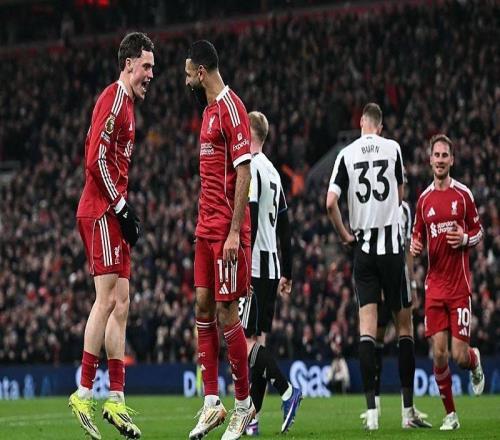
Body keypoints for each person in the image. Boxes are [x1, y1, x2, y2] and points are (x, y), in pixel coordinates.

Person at [69, 32, 154, 440]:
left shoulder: (128, 105)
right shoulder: (115, 98)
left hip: (112, 211)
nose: (150, 74)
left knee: (122, 303)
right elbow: (95, 159)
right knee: (105, 300)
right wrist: (121, 208)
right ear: (128, 64)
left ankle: (116, 399)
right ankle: (84, 392)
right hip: (101, 210)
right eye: (146, 66)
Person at [326, 103, 429, 430]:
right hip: (392, 251)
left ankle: (372, 413)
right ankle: (407, 412)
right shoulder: (392, 148)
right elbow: (399, 196)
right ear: (380, 127)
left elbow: (330, 202)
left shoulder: (346, 154)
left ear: (361, 123)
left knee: (367, 330)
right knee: (404, 329)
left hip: (364, 251)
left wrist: (345, 235)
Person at [185, 40, 255, 440]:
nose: (186, 81)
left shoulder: (232, 108)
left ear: (201, 72)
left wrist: (233, 232)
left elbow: (244, 173)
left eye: (187, 73)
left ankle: (243, 406)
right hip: (204, 228)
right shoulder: (208, 111)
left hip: (227, 232)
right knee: (202, 304)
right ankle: (212, 403)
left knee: (228, 313)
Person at [410, 134, 485, 430]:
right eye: (436, 155)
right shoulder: (423, 200)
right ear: (430, 160)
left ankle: (474, 360)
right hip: (435, 287)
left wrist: (465, 238)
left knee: (458, 356)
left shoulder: (463, 195)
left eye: (445, 155)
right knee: (439, 354)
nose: (440, 160)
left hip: (459, 287)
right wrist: (415, 245)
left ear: (451, 160)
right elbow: (417, 236)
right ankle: (451, 415)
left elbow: (479, 232)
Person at [240, 111, 302, 436]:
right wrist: (287, 271)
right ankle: (252, 417)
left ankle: (288, 390)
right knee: (259, 341)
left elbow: (249, 217)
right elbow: (286, 228)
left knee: (243, 342)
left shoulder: (250, 168)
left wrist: (242, 265)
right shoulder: (274, 172)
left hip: (254, 266)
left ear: (249, 132)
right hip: (272, 266)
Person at [359, 194, 429, 423]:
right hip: (391, 275)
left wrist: (413, 283)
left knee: (388, 335)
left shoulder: (403, 209)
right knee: (391, 334)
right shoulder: (392, 206)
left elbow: (408, 249)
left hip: (389, 275)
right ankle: (391, 408)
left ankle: (391, 408)